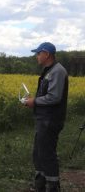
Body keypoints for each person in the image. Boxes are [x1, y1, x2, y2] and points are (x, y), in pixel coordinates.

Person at [25, 42, 68, 192]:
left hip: (50, 120)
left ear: (46, 54)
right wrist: (33, 100)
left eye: (38, 53)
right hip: (43, 119)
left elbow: (54, 97)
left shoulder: (57, 71)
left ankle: (53, 187)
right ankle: (40, 186)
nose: (36, 56)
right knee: (38, 153)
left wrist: (34, 101)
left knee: (47, 154)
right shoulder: (49, 70)